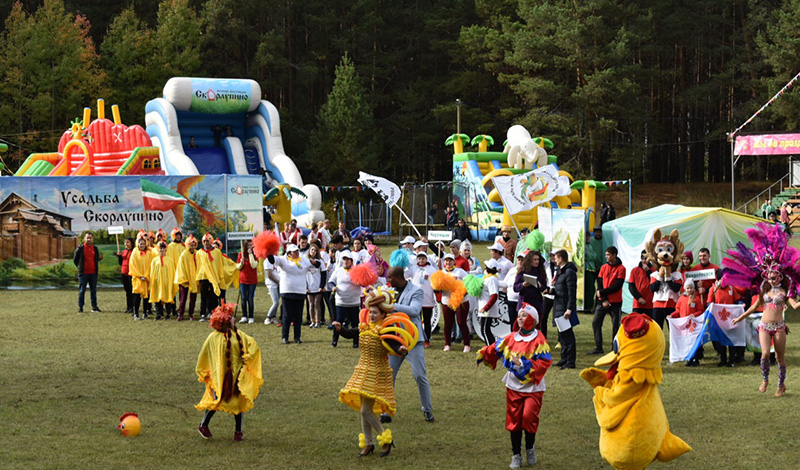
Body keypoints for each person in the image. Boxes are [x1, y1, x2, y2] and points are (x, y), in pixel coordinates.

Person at [334, 288, 412, 457]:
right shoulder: (365, 327)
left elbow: (395, 346)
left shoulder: (386, 330)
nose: (372, 315)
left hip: (376, 374)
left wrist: (403, 350)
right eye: (370, 312)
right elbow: (351, 334)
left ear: (383, 314)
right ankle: (368, 444)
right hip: (362, 371)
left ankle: (385, 438)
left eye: (375, 313)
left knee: (365, 411)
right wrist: (341, 329)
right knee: (364, 410)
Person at [477, 303, 552, 469]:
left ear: (532, 320)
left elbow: (545, 362)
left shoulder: (539, 339)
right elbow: (496, 348)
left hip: (533, 388)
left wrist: (525, 364)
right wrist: (484, 354)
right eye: (519, 315)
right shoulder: (511, 337)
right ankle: (516, 454)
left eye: (524, 315)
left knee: (529, 418)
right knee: (514, 420)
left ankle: (530, 448)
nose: (520, 318)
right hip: (513, 386)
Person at [196, 302, 263, 442]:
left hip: (236, 376)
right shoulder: (213, 338)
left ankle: (238, 431)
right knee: (218, 399)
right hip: (218, 377)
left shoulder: (237, 335)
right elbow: (205, 355)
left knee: (238, 402)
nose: (235, 319)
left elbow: (252, 344)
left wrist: (247, 356)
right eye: (232, 317)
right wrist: (205, 372)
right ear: (224, 320)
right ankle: (204, 425)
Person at [734, 270, 800, 397]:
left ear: (780, 277)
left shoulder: (785, 292)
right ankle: (765, 379)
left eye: (774, 277)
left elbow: (795, 306)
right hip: (764, 326)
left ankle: (781, 385)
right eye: (769, 278)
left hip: (779, 327)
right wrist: (739, 318)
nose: (771, 280)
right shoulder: (764, 290)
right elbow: (754, 307)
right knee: (764, 354)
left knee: (779, 357)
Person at [383, 267, 434, 422]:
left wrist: (392, 307)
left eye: (390, 277)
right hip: (395, 340)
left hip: (413, 341)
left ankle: (427, 410)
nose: (388, 280)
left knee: (419, 375)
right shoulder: (388, 291)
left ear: (398, 277)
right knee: (388, 376)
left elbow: (414, 310)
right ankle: (386, 411)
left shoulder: (416, 291)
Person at [268, 244, 319, 344]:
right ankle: (285, 337)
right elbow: (271, 260)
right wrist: (268, 250)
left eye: (297, 251)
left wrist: (314, 262)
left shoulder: (304, 259)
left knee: (298, 316)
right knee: (287, 315)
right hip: (287, 291)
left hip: (300, 291)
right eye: (294, 251)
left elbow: (316, 265)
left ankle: (297, 337)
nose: (296, 252)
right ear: (289, 253)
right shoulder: (283, 260)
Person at [589, 246, 626, 354]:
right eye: (606, 255)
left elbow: (617, 286)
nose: (606, 257)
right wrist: (603, 299)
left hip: (615, 302)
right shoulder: (603, 267)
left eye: (608, 255)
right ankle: (598, 347)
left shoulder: (621, 269)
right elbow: (599, 283)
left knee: (616, 326)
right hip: (603, 301)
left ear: (614, 255)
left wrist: (602, 293)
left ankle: (614, 348)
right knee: (596, 322)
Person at [328, 251, 361, 347]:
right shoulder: (338, 270)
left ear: (351, 261)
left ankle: (356, 342)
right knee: (338, 321)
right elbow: (330, 282)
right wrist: (333, 287)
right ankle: (335, 341)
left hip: (354, 302)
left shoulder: (356, 271)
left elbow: (363, 282)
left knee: (355, 322)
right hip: (341, 301)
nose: (346, 261)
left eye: (348, 259)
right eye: (344, 259)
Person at [551, 249, 578, 369]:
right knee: (562, 335)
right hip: (559, 305)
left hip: (564, 308)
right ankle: (564, 358)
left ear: (561, 258)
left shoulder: (569, 272)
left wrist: (569, 309)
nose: (554, 260)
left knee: (568, 335)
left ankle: (570, 361)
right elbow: (560, 289)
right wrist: (551, 290)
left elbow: (572, 293)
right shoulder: (560, 272)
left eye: (556, 258)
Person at [669, 279, 706, 366]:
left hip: (693, 325)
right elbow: (678, 310)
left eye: (691, 288)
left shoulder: (696, 299)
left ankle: (696, 359)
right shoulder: (681, 298)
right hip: (685, 325)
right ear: (685, 289)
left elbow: (701, 310)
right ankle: (689, 359)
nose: (689, 290)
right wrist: (672, 315)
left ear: (693, 288)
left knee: (694, 341)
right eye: (688, 288)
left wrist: (694, 314)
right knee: (687, 342)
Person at [438, 253, 469, 352]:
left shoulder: (460, 272)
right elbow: (437, 288)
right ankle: (447, 344)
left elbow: (468, 285)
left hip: (461, 301)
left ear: (454, 262)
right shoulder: (441, 273)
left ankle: (467, 344)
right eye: (446, 260)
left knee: (461, 322)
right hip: (446, 301)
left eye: (450, 260)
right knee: (448, 323)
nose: (448, 262)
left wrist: (460, 294)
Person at [514, 251, 548, 336]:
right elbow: (515, 287)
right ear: (529, 260)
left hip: (536, 303)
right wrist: (523, 285)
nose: (537, 261)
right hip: (524, 302)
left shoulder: (541, 272)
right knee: (523, 326)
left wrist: (540, 286)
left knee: (536, 326)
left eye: (538, 259)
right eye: (534, 260)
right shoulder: (522, 271)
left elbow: (545, 289)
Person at [408, 252, 437, 348]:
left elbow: (437, 281)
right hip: (415, 299)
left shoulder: (431, 269)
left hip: (428, 298)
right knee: (416, 320)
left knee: (427, 320)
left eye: (423, 258)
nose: (421, 260)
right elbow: (404, 275)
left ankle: (426, 339)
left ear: (426, 259)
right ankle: (416, 338)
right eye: (419, 258)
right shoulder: (413, 268)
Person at [196, 233, 224, 322]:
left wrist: (219, 275)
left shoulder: (217, 252)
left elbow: (219, 264)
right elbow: (198, 264)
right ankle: (203, 313)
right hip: (204, 276)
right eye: (204, 241)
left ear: (211, 241)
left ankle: (214, 312)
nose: (206, 243)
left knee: (214, 295)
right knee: (204, 296)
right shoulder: (199, 252)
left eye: (207, 241)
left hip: (214, 276)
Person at [73, 232, 103, 313]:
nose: (89, 239)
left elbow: (95, 259)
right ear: (84, 238)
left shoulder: (95, 248)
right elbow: (75, 260)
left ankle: (94, 307)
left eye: (90, 238)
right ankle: (81, 308)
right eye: (87, 238)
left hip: (93, 273)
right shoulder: (80, 248)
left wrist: (99, 259)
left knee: (93, 290)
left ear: (92, 239)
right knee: (82, 290)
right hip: (83, 274)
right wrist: (80, 268)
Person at [129, 233, 155, 320]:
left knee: (146, 296)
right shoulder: (134, 253)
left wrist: (146, 276)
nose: (142, 245)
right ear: (138, 244)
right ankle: (136, 313)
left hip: (146, 278)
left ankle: (145, 313)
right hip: (137, 279)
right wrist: (140, 276)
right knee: (137, 296)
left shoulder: (149, 253)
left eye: (143, 244)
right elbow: (133, 265)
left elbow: (150, 265)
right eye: (140, 244)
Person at [476, 259, 501, 346]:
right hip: (485, 309)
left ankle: (490, 349)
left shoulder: (492, 279)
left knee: (484, 331)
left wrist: (485, 308)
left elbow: (494, 296)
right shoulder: (488, 278)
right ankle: (493, 348)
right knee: (486, 330)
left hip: (487, 310)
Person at [150, 242, 177, 320]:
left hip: (167, 282)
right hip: (158, 282)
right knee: (158, 297)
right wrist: (153, 281)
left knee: (167, 297)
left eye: (163, 248)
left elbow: (172, 272)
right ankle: (159, 313)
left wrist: (172, 282)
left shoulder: (169, 260)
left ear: (166, 249)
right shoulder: (154, 260)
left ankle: (168, 314)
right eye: (160, 248)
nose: (162, 250)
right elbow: (152, 272)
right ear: (158, 249)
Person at [175, 234, 199, 321]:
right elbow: (181, 268)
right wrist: (184, 279)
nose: (192, 247)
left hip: (194, 279)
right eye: (191, 245)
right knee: (183, 298)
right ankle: (180, 314)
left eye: (194, 245)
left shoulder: (197, 254)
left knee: (193, 298)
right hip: (185, 280)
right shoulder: (184, 255)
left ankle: (191, 314)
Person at [501, 252, 525, 328]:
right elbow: (505, 282)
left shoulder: (527, 271)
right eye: (518, 260)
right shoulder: (512, 270)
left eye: (522, 260)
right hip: (511, 300)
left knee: (521, 322)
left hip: (521, 301)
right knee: (512, 322)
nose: (520, 262)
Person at [306, 242, 327, 328]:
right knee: (311, 304)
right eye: (312, 250)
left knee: (317, 303)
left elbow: (323, 273)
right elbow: (302, 274)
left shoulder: (320, 261)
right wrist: (305, 287)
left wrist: (321, 286)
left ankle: (318, 321)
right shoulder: (305, 261)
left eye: (315, 250)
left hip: (317, 286)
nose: (313, 251)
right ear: (309, 251)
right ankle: (312, 321)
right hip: (309, 286)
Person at [237, 241, 258, 324]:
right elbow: (238, 267)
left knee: (250, 298)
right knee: (243, 298)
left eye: (251, 245)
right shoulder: (240, 254)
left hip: (252, 281)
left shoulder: (255, 255)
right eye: (248, 245)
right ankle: (244, 316)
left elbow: (253, 265)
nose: (250, 247)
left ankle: (251, 317)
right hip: (243, 280)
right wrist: (241, 263)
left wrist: (250, 255)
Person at [628, 250, 654, 316]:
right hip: (637, 304)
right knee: (636, 324)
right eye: (642, 258)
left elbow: (655, 283)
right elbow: (631, 286)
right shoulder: (635, 270)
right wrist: (638, 298)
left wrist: (648, 271)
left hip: (650, 304)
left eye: (646, 259)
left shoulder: (654, 270)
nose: (644, 261)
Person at [584, 226, 603, 310]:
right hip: (587, 269)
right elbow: (589, 256)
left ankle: (594, 305)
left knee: (598, 287)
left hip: (596, 268)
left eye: (599, 232)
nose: (598, 233)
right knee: (590, 288)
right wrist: (592, 256)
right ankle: (587, 306)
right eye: (596, 232)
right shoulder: (586, 245)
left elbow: (593, 256)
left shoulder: (589, 246)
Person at [114, 237, 135, 313]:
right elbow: (121, 263)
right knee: (127, 291)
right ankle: (128, 307)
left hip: (131, 273)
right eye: (125, 242)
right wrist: (119, 256)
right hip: (124, 273)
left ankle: (133, 307)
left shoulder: (134, 252)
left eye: (128, 242)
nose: (126, 244)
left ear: (132, 243)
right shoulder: (123, 252)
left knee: (132, 291)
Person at [263, 253, 281, 325]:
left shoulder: (276, 259)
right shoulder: (267, 261)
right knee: (275, 302)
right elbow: (269, 274)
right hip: (271, 284)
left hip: (278, 283)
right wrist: (278, 282)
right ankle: (268, 317)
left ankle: (273, 318)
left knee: (277, 301)